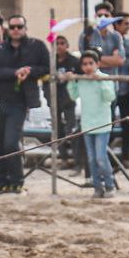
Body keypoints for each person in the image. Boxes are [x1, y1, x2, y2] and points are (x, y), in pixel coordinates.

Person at [0, 14, 49, 194]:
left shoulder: (36, 46)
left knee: (11, 144)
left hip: (20, 103)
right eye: (12, 27)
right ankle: (1, 181)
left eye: (19, 27)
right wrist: (15, 72)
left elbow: (46, 67)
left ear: (25, 28)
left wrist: (29, 71)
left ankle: (17, 182)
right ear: (8, 29)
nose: (16, 30)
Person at [65, 49, 118, 199]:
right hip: (87, 124)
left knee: (101, 157)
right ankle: (97, 188)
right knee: (91, 158)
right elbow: (73, 95)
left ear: (97, 64)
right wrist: (71, 81)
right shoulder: (82, 80)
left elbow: (110, 97)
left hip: (102, 124)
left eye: (91, 63)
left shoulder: (105, 78)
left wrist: (100, 82)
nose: (88, 67)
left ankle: (110, 185)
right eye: (85, 64)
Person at [52, 35, 85, 173]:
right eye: (57, 43)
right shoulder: (51, 61)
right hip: (54, 100)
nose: (59, 46)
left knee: (71, 131)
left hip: (70, 100)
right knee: (57, 130)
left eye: (62, 43)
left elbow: (82, 77)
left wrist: (73, 77)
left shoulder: (74, 61)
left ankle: (78, 162)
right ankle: (63, 158)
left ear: (67, 45)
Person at [110, 12, 129, 163]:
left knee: (127, 124)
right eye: (125, 23)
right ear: (117, 25)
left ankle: (125, 158)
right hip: (110, 90)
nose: (128, 26)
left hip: (126, 90)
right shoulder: (108, 41)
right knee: (108, 124)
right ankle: (108, 157)